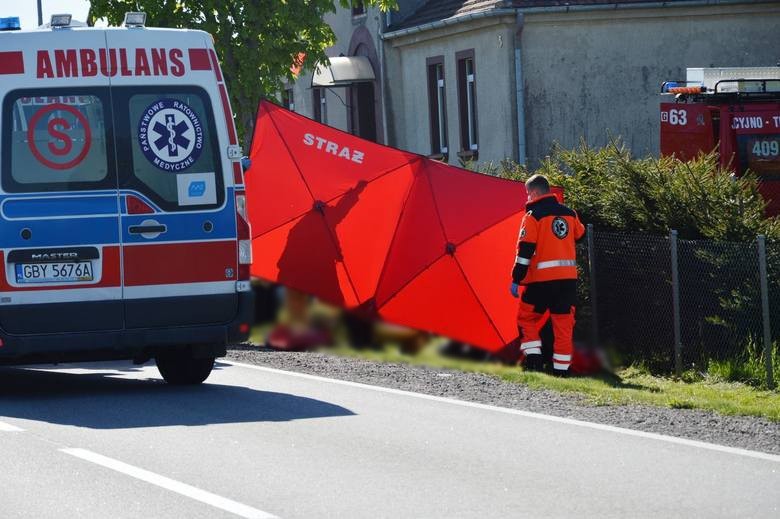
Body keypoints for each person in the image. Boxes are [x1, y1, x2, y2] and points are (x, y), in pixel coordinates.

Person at [510, 174, 585, 376]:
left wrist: (516, 279)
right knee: (563, 325)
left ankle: (534, 360)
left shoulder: (533, 216)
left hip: (540, 282)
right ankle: (561, 371)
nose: (527, 198)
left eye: (527, 194)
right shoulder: (570, 213)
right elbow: (581, 235)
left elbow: (525, 251)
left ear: (534, 192)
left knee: (526, 318)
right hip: (567, 281)